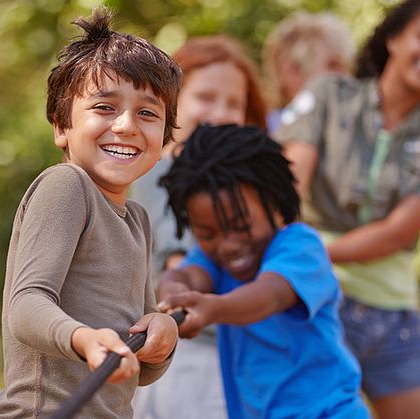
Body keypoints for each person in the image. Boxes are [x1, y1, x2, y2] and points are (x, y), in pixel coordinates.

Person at [275, 1, 420, 418]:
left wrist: (317, 251)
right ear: (395, 37)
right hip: (314, 301)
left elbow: (399, 232)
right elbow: (290, 181)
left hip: (391, 315)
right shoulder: (329, 94)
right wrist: (291, 262)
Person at [0, 8, 183, 419]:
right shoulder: (67, 186)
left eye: (147, 113)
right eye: (104, 107)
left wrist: (161, 337)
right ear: (62, 125)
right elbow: (26, 306)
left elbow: (135, 368)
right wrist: (83, 339)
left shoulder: (137, 220)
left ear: (163, 139)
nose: (127, 125)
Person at [156, 124, 369, 419]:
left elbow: (270, 295)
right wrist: (173, 295)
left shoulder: (300, 247)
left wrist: (212, 308)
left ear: (277, 203)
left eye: (241, 225)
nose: (228, 245)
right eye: (207, 233)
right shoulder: (213, 259)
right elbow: (185, 276)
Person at [131, 35, 267, 419]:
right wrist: (183, 289)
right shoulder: (169, 169)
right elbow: (175, 259)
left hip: (217, 351)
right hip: (192, 358)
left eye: (234, 104)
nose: (221, 113)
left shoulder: (226, 183)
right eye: (206, 97)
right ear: (172, 101)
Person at [261, 11, 354, 135]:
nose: (346, 76)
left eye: (346, 66)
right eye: (333, 66)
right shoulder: (266, 135)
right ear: (292, 72)